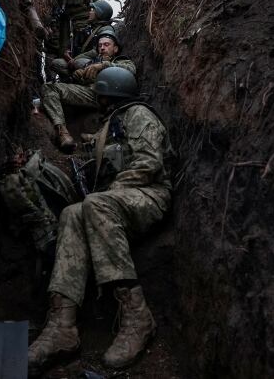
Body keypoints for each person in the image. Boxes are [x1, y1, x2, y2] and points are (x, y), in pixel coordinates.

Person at [27, 67, 175, 375]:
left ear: (111, 95)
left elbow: (149, 162)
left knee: (93, 204)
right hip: (120, 200)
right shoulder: (113, 122)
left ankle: (137, 317)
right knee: (71, 212)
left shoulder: (138, 114)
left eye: (102, 94)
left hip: (149, 193)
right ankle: (61, 326)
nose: (99, 99)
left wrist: (108, 194)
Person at [41, 27, 135, 152]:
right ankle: (62, 132)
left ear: (115, 48)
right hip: (91, 94)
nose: (102, 48)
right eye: (100, 45)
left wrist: (103, 66)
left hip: (111, 100)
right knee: (49, 88)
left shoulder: (121, 61)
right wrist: (80, 76)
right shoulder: (93, 61)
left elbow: (130, 70)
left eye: (106, 45)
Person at [49, 0, 114, 81]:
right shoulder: (90, 28)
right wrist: (68, 52)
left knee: (78, 62)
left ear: (99, 13)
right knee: (56, 63)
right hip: (82, 61)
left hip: (97, 63)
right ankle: (75, 78)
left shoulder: (106, 30)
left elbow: (96, 51)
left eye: (93, 10)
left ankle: (84, 78)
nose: (90, 12)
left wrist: (74, 59)